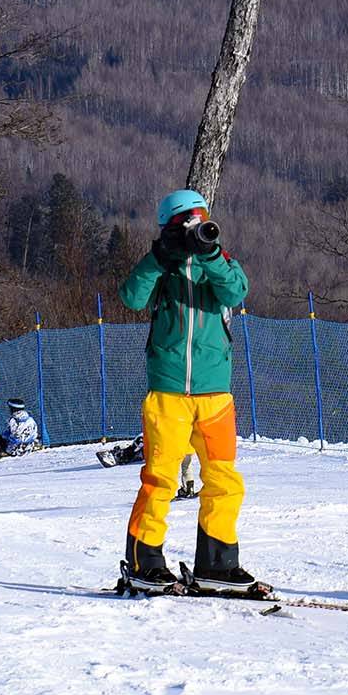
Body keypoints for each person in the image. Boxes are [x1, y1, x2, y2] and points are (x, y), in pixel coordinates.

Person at [117, 187, 257, 590]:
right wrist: (162, 256)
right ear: (168, 229)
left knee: (223, 478)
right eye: (185, 225)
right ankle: (146, 562)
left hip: (215, 393)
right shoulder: (161, 269)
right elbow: (131, 297)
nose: (195, 232)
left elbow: (236, 292)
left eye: (201, 222)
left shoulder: (222, 264)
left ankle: (217, 561)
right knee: (160, 477)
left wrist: (210, 256)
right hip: (168, 391)